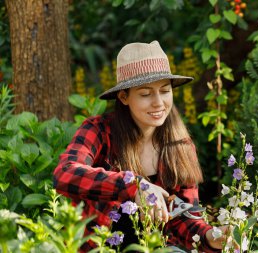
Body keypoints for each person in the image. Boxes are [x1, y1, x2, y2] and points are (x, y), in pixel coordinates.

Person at [53, 41, 229, 252]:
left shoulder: (181, 144)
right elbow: (65, 173)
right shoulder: (99, 130)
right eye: (145, 94)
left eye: (165, 91)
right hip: (101, 246)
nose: (158, 103)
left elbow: (185, 216)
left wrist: (210, 236)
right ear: (124, 97)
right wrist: (135, 185)